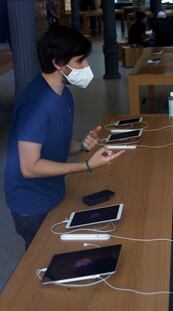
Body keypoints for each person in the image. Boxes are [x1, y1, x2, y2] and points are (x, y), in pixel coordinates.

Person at [4, 26, 124, 249]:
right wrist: (87, 165)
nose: (87, 67)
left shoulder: (64, 94)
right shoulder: (36, 105)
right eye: (80, 61)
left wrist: (81, 145)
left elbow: (55, 142)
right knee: (41, 263)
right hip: (31, 204)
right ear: (58, 63)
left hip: (55, 192)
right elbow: (29, 168)